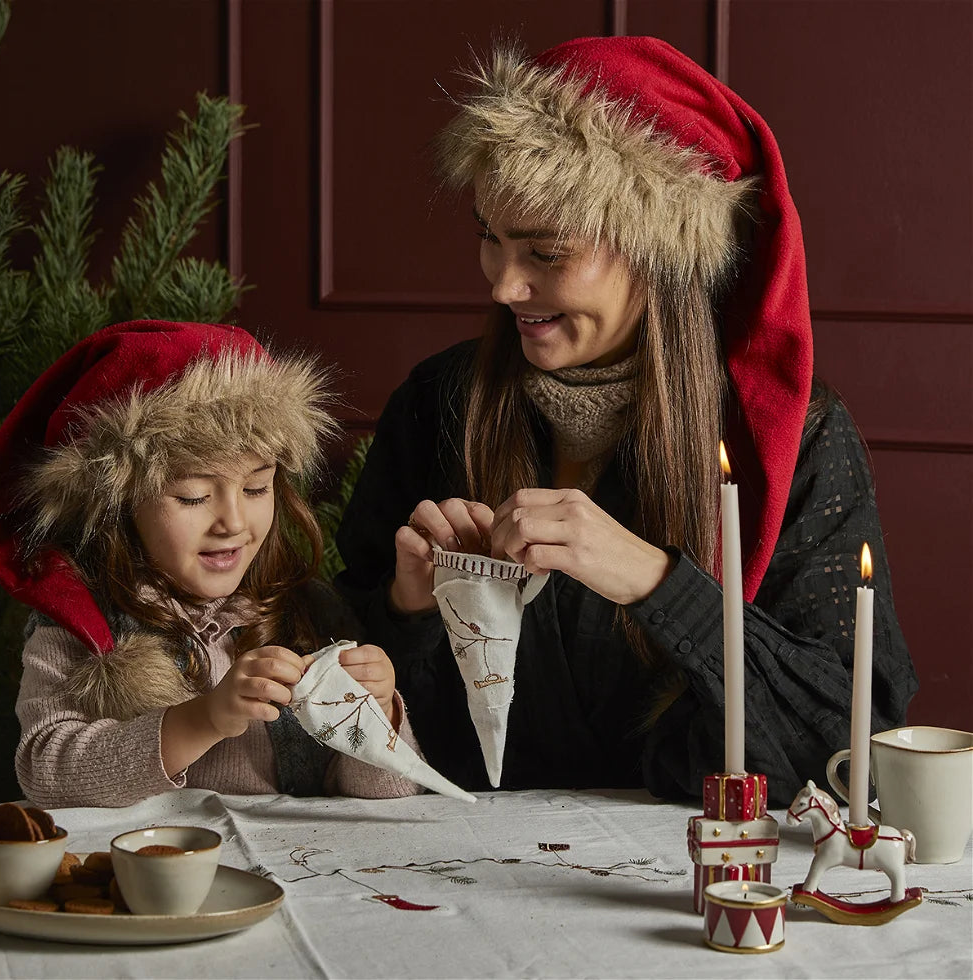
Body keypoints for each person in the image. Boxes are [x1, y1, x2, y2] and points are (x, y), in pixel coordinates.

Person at [334, 36, 918, 804]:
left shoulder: (795, 438)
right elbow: (335, 695)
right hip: (459, 865)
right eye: (490, 238)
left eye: (545, 251)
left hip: (690, 883)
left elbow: (855, 749)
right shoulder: (437, 403)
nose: (505, 285)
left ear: (658, 250)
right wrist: (406, 610)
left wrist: (654, 581)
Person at [0, 319, 422, 806]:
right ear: (119, 505)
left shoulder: (306, 612)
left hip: (294, 874)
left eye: (257, 487)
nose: (233, 522)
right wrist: (203, 718)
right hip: (152, 868)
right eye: (194, 496)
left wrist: (379, 712)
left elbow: (386, 793)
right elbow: (46, 771)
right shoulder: (82, 627)